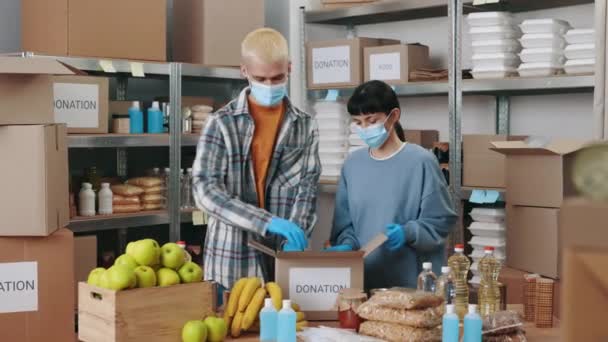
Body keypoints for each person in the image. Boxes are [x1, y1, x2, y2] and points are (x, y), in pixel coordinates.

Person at [192, 28, 321, 290]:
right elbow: (205, 191)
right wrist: (266, 222)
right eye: (261, 78)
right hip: (233, 256)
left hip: (283, 256)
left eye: (277, 77)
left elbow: (307, 186)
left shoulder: (304, 125)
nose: (270, 85)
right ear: (244, 71)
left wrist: (297, 231)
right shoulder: (221, 123)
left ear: (290, 68)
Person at [328, 80, 457, 290]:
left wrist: (409, 232)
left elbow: (441, 220)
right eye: (358, 122)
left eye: (371, 120)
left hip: (412, 284)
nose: (364, 128)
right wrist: (347, 245)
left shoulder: (421, 162)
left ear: (394, 115)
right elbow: (346, 224)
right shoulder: (353, 164)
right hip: (365, 282)